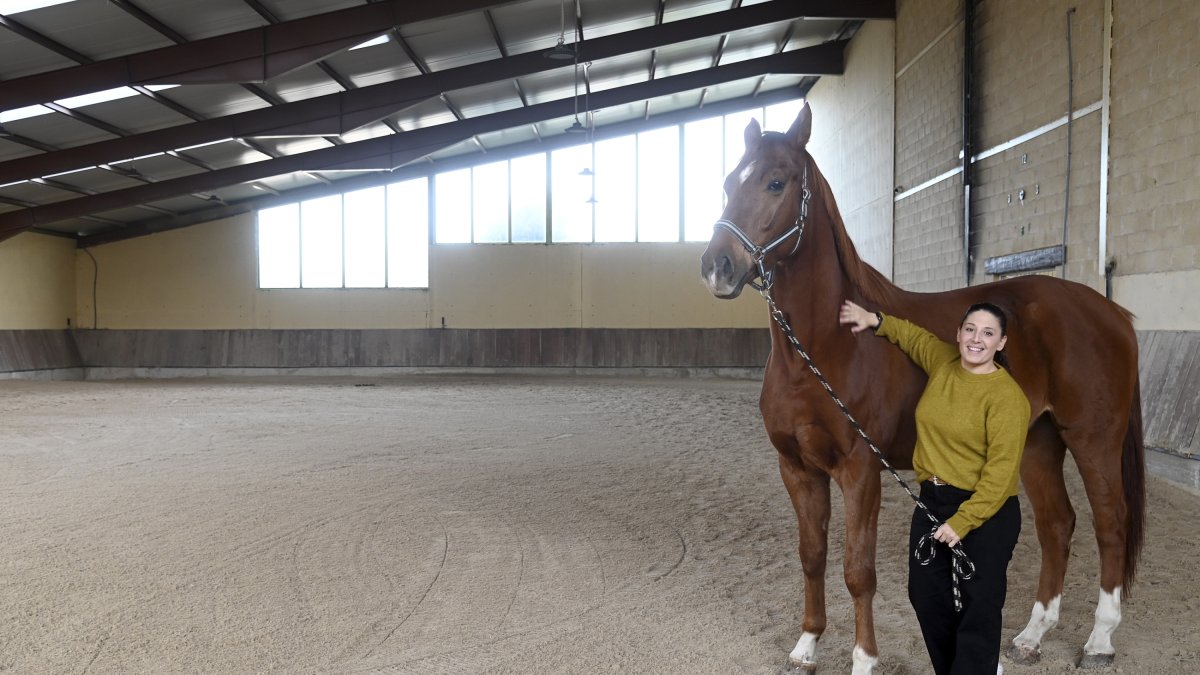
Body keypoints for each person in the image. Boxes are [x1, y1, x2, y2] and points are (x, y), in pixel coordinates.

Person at [838, 300, 1031, 675]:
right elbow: (914, 337)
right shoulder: (944, 362)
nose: (976, 339)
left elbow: (1001, 474)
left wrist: (962, 522)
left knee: (979, 605)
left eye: (988, 333)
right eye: (970, 329)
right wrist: (874, 320)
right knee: (925, 595)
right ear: (958, 334)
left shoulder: (1007, 398)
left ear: (1001, 342)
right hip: (933, 502)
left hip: (986, 510)